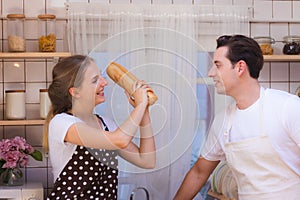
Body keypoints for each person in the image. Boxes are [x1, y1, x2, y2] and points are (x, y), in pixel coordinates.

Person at [174, 35, 300, 199]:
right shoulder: (223, 121)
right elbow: (199, 172)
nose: (211, 73)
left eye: (218, 66)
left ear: (240, 67)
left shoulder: (287, 107)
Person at [43, 55, 156, 199]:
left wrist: (144, 110)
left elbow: (146, 160)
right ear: (75, 92)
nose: (105, 83)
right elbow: (119, 140)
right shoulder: (62, 123)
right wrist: (139, 105)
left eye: (101, 77)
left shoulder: (106, 124)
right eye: (95, 80)